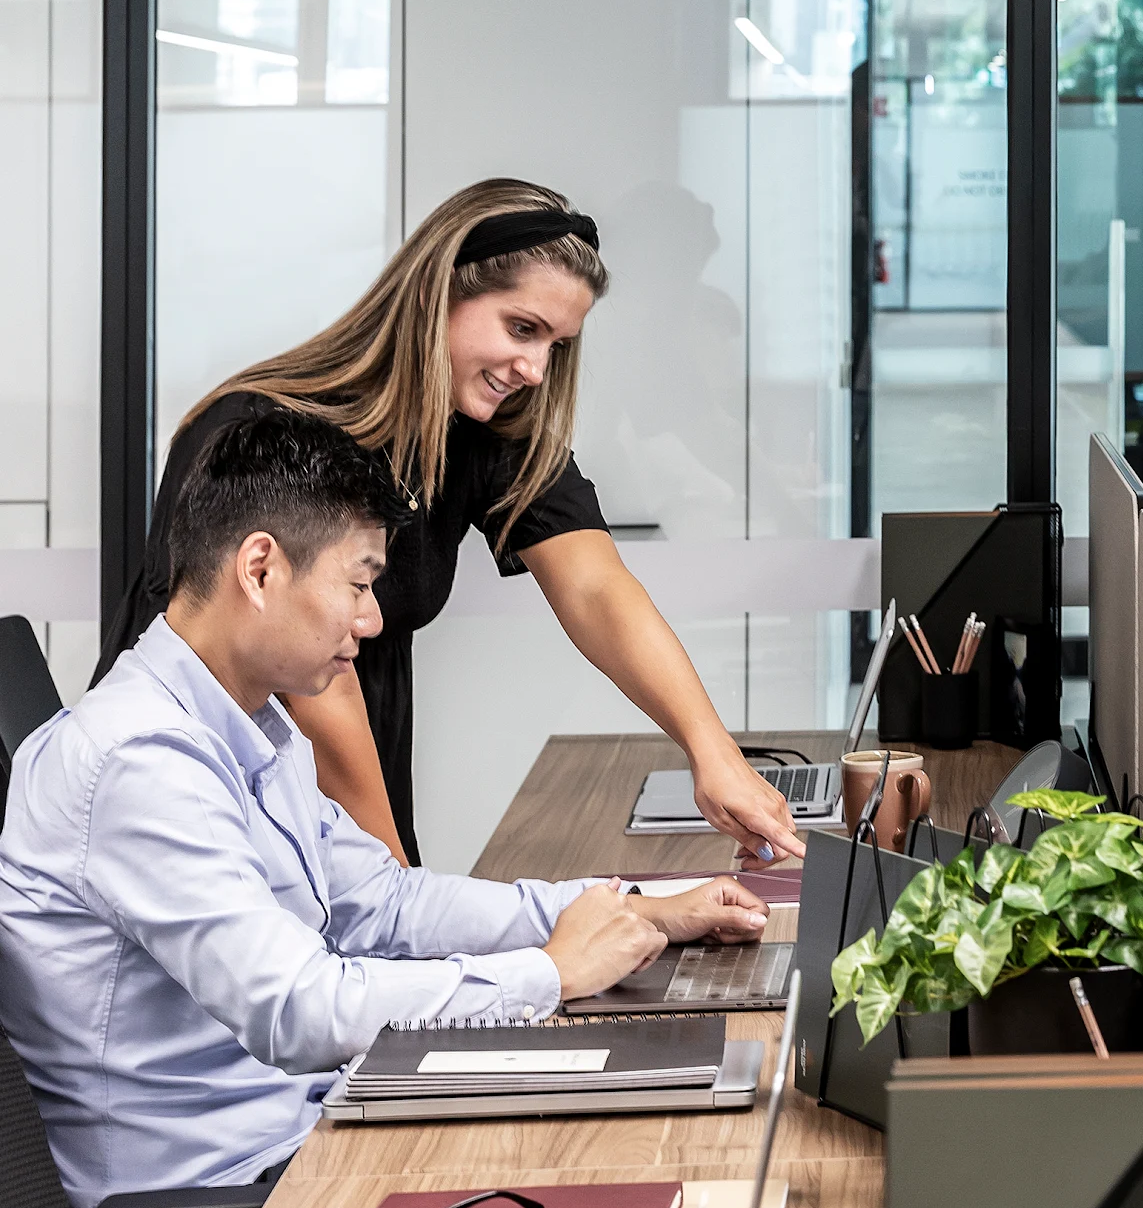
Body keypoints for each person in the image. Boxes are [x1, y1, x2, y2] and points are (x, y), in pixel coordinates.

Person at [1, 411, 764, 1208]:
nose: (372, 621)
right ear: (260, 568)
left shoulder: (249, 729)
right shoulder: (137, 763)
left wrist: (623, 910)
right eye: (359, 585)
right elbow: (297, 1008)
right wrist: (548, 975)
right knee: (586, 1207)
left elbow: (382, 904)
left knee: (624, 1151)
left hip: (294, 1148)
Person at [98, 176, 805, 869]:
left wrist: (712, 753)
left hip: (354, 784)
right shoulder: (265, 434)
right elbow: (316, 694)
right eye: (521, 328)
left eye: (553, 345)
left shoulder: (480, 429)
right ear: (440, 292)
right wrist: (402, 894)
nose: (534, 368)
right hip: (216, 807)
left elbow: (595, 587)